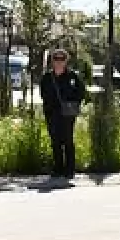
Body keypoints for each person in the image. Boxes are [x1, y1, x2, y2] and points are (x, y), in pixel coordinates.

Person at [39, 49, 85, 179]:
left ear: (66, 61)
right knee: (55, 141)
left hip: (68, 114)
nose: (59, 62)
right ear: (52, 61)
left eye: (62, 59)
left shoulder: (72, 76)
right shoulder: (47, 78)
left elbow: (81, 92)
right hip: (52, 114)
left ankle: (70, 169)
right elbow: (43, 93)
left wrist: (73, 104)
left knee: (68, 141)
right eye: (56, 59)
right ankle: (58, 168)